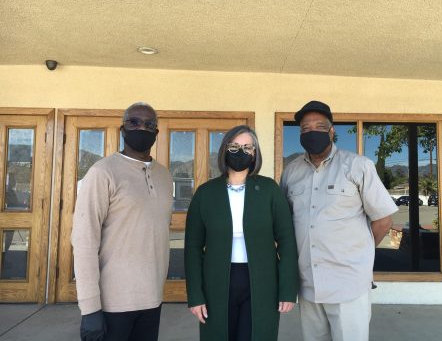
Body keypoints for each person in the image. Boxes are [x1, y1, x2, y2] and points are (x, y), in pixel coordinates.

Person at [280, 101, 398, 341]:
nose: (312, 132)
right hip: (308, 284)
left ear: (332, 131)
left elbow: (383, 220)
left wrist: (359, 252)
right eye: (305, 129)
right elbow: (284, 223)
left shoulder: (358, 166)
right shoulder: (291, 172)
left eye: (319, 126)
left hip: (348, 284)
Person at [185, 125, 298, 341]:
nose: (241, 152)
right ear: (225, 149)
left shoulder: (269, 190)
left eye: (247, 147)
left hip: (262, 282)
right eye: (235, 146)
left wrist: (287, 289)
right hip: (216, 282)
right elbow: (192, 247)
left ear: (255, 153)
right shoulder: (206, 193)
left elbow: (286, 241)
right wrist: (195, 295)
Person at [71, 102, 173, 341]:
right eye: (134, 122)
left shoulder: (165, 176)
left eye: (149, 124)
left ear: (156, 133)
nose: (142, 127)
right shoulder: (102, 172)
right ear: (123, 129)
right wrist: (90, 308)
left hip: (152, 299)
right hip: (112, 305)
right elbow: (84, 241)